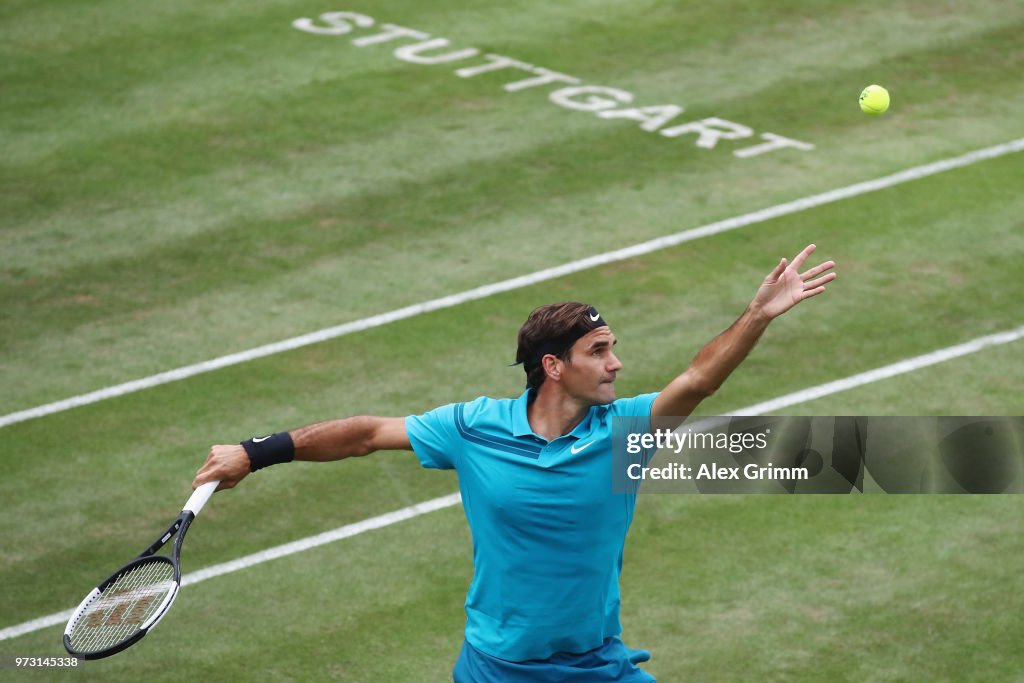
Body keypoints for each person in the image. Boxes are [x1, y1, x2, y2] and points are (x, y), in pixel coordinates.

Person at [193, 244, 836, 682]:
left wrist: (756, 316)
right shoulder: (472, 428)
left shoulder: (628, 432)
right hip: (497, 669)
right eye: (599, 351)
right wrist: (256, 452)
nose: (615, 364)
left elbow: (697, 380)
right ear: (554, 367)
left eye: (613, 348)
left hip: (595, 665)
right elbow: (365, 434)